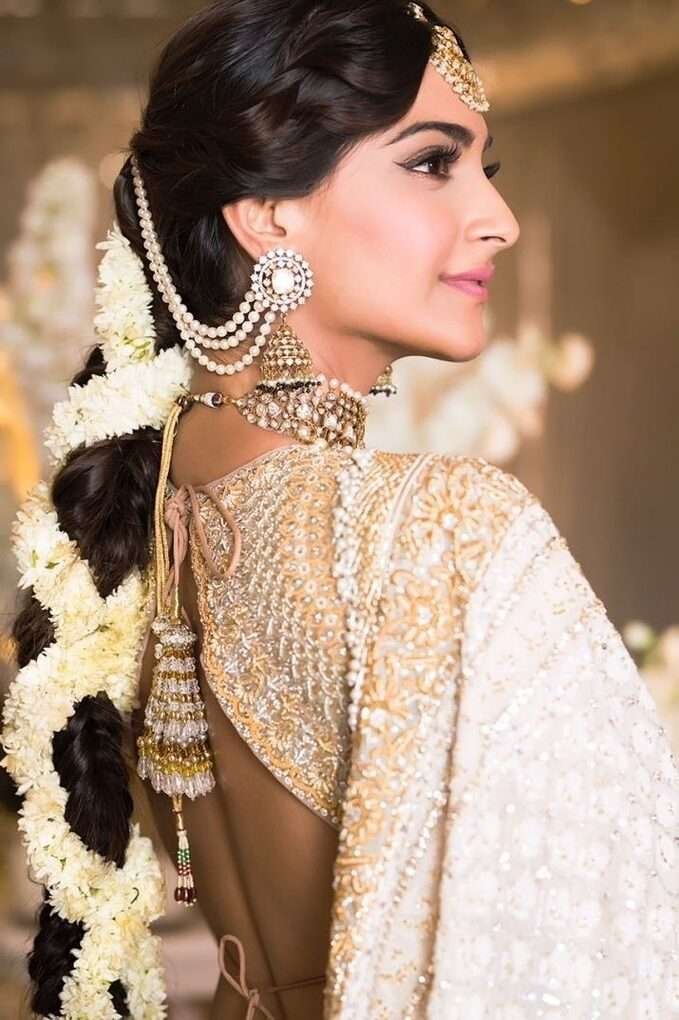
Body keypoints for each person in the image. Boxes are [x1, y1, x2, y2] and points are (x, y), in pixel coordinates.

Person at [4, 1, 677, 1018]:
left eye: (483, 168)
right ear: (267, 212)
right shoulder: (447, 528)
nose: (498, 219)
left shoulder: (133, 522)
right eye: (432, 161)